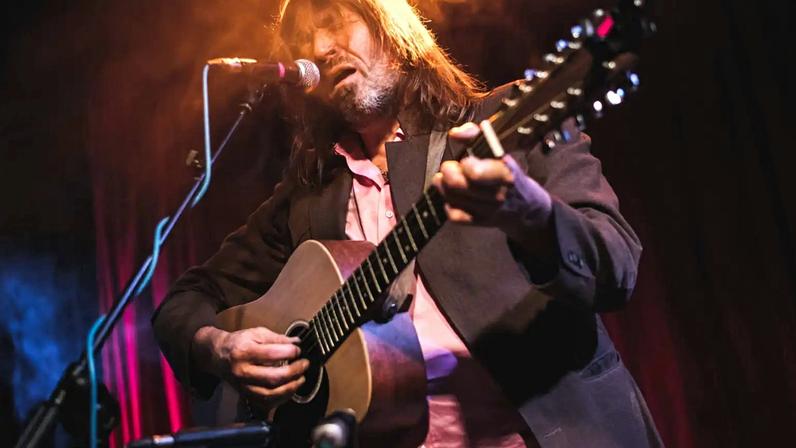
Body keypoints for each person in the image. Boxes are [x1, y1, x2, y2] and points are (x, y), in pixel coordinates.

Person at [152, 0, 663, 446]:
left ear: (391, 30)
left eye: (334, 23)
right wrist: (216, 347)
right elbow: (186, 300)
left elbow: (615, 264)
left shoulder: (505, 120)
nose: (319, 48)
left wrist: (531, 215)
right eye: (303, 41)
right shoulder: (306, 199)